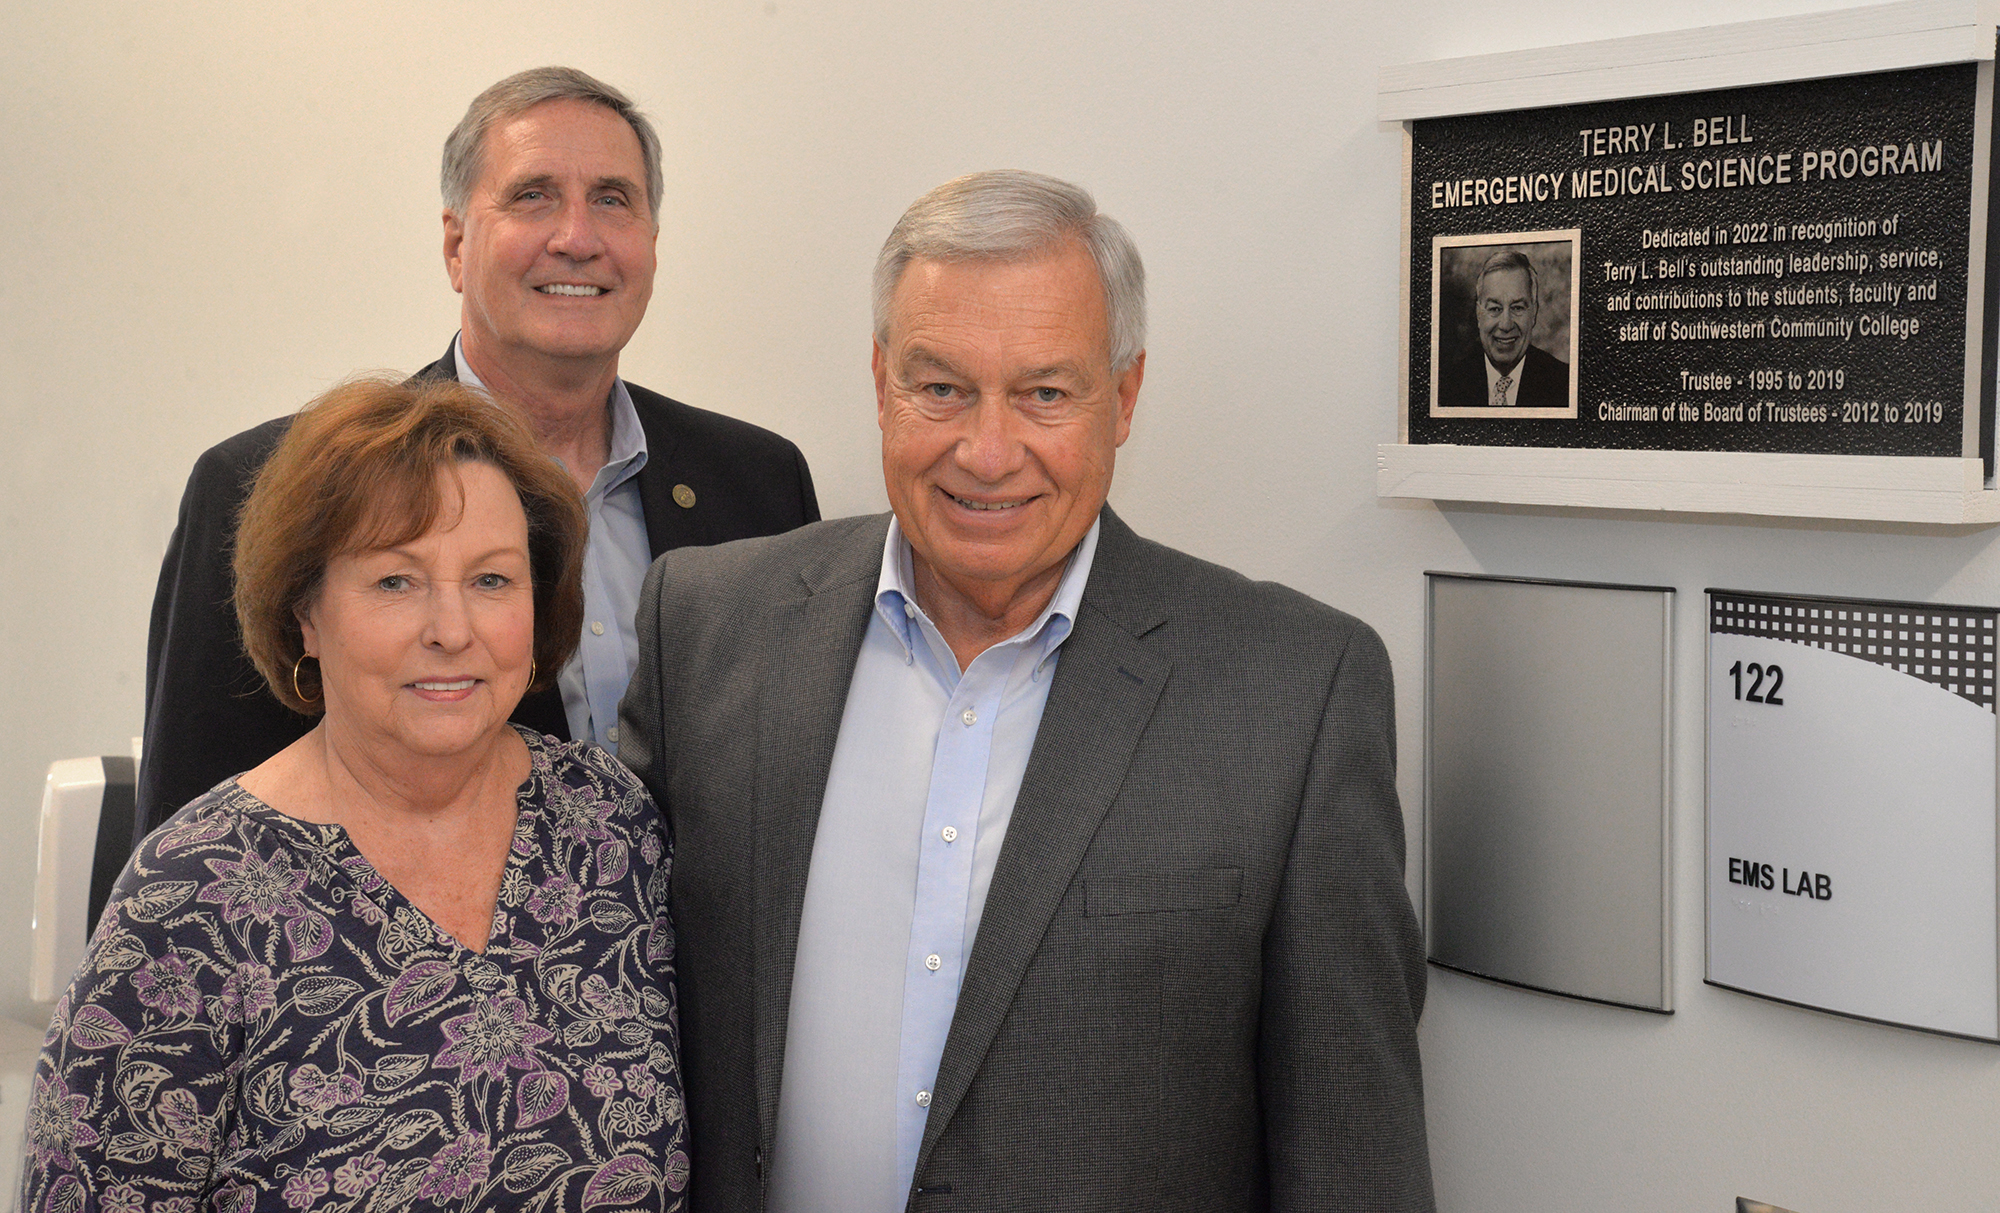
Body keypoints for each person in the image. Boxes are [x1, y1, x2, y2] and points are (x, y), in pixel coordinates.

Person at [618, 170, 1433, 1212]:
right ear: (879, 383)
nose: (986, 451)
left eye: (1044, 393)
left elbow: (1352, 1155)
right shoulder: (705, 627)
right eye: (940, 387)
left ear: (1123, 397)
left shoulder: (1293, 693)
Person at [26, 378, 688, 1211]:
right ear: (306, 612)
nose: (453, 629)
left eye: (491, 580)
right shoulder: (185, 901)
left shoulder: (612, 824)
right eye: (395, 582)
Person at [137, 66, 821, 843]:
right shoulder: (272, 489)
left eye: (612, 199)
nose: (577, 237)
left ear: (652, 247)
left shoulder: (763, 486)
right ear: (457, 245)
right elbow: (187, 854)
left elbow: (794, 809)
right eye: (533, 196)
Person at [1437, 248, 1571, 408]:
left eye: (1517, 308)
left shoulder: (1566, 385)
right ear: (1479, 314)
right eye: (1494, 309)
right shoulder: (1446, 386)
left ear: (1534, 313)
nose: (1506, 325)